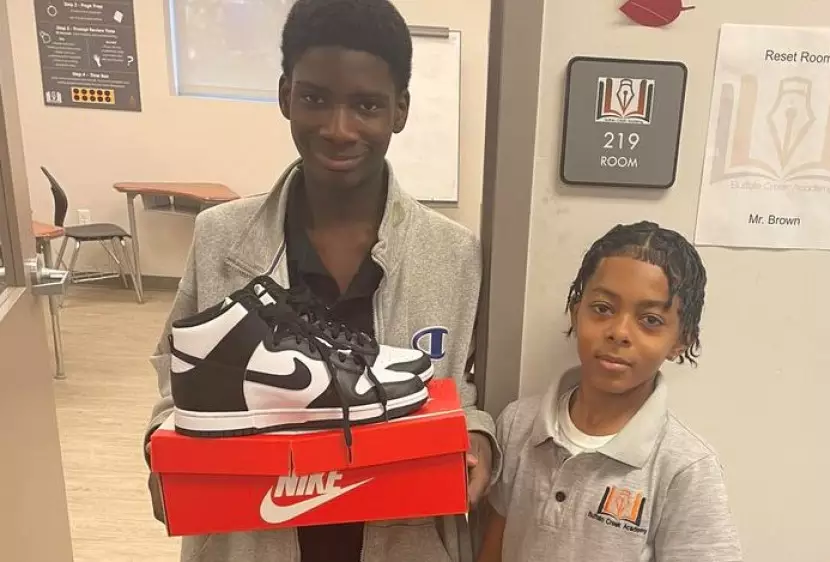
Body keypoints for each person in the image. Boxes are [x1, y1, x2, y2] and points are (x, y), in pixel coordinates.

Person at [142, 1, 498, 560]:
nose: (339, 129)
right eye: (315, 99)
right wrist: (165, 454)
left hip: (399, 535)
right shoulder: (220, 237)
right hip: (253, 536)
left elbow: (464, 394)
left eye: (366, 105)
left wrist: (478, 435)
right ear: (285, 96)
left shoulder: (456, 256)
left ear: (400, 110)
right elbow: (180, 377)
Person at [478, 221, 743, 562]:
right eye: (603, 309)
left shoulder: (685, 467)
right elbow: (494, 545)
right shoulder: (518, 424)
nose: (619, 332)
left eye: (650, 320)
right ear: (576, 312)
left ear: (681, 340)